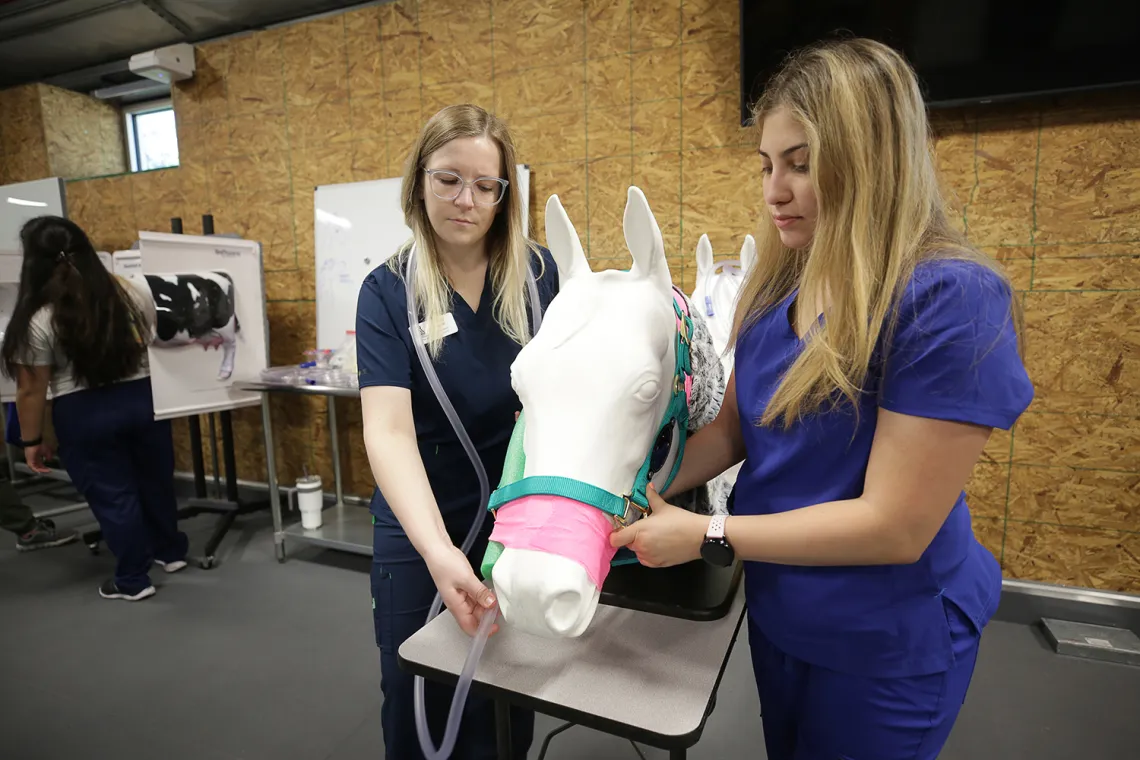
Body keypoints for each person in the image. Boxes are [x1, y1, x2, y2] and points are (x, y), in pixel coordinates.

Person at [609, 38, 1034, 760]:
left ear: (872, 157)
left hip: (885, 639)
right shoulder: (779, 288)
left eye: (801, 164)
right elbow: (737, 428)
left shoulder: (947, 300)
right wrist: (645, 484)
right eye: (768, 165)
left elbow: (894, 526)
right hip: (785, 614)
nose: (775, 189)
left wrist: (708, 535)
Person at [356, 104, 559, 760]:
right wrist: (441, 555)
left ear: (504, 196)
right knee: (419, 689)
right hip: (421, 521)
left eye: (484, 185)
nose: (465, 200)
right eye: (448, 180)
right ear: (419, 182)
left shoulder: (538, 278)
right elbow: (387, 432)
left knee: (509, 686)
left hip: (513, 523)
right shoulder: (386, 291)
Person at [1, 216, 189, 601]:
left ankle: (133, 580)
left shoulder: (38, 318)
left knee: (113, 494)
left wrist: (32, 439)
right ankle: (170, 553)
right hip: (144, 400)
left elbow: (31, 391)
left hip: (85, 412)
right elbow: (150, 336)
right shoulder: (132, 291)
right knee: (155, 482)